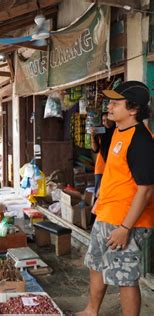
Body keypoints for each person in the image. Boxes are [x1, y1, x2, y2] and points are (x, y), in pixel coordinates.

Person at [80, 81, 154, 316]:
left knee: (125, 277)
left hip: (126, 220)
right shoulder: (118, 132)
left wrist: (125, 227)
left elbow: (146, 189)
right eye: (109, 102)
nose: (109, 107)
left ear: (133, 109)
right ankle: (92, 310)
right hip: (107, 213)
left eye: (115, 103)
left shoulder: (142, 140)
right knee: (95, 264)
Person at [90, 112, 115, 198]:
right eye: (104, 120)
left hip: (114, 167)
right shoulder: (100, 132)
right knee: (98, 193)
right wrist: (92, 137)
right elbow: (95, 149)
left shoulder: (117, 131)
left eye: (108, 120)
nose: (106, 122)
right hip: (101, 167)